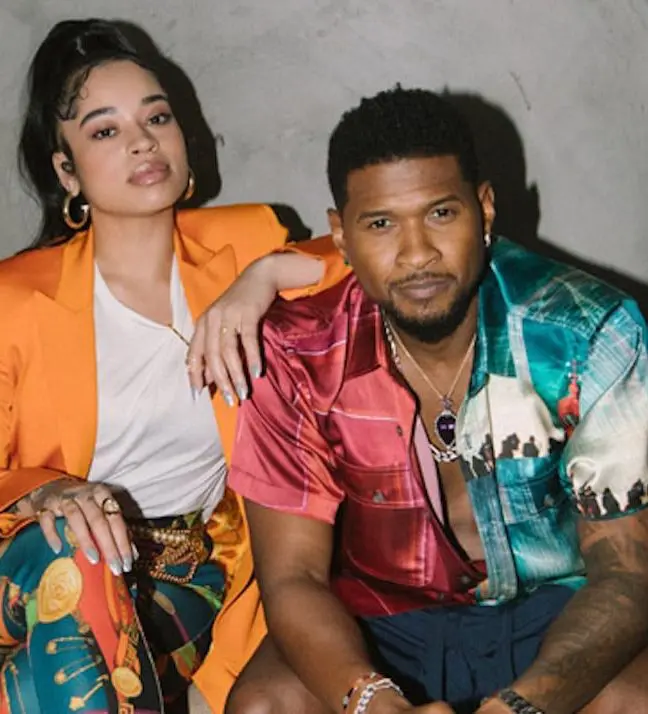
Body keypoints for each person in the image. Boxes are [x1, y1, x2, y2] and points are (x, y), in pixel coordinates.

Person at [228, 87, 648, 714]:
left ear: (484, 209)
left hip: (559, 606)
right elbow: (294, 577)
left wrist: (520, 707)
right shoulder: (297, 355)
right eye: (381, 224)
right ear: (340, 235)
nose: (418, 253)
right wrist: (372, 701)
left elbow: (626, 572)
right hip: (381, 620)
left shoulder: (587, 331)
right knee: (266, 706)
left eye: (441, 214)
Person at [0, 19, 346, 714]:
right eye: (105, 130)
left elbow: (375, 253)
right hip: (39, 555)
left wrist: (264, 276)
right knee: (75, 555)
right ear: (66, 171)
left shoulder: (245, 241)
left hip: (184, 573)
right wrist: (49, 491)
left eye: (156, 117)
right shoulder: (17, 299)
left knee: (33, 689)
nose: (142, 141)